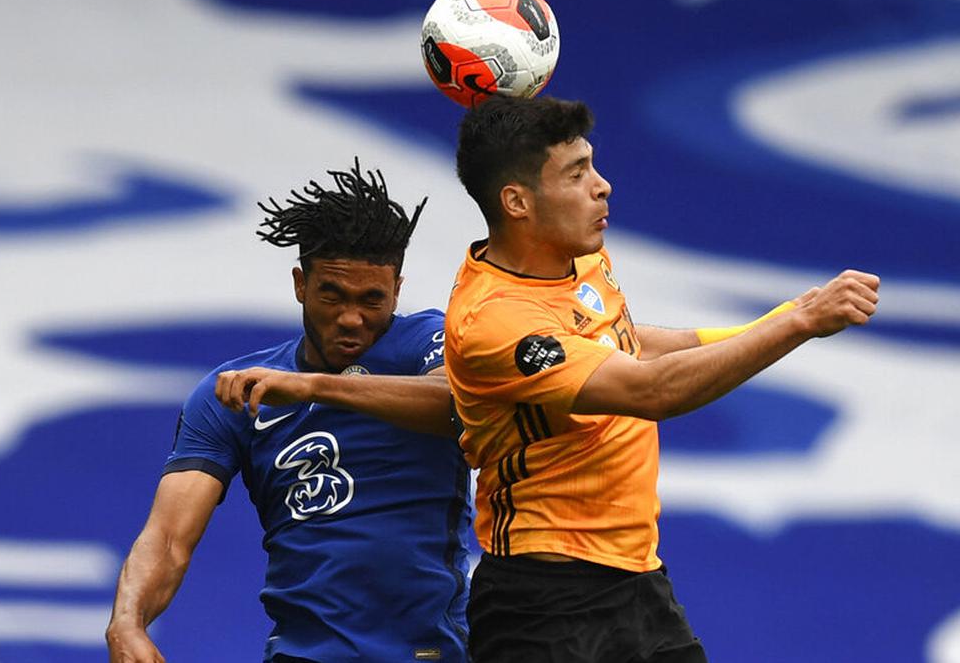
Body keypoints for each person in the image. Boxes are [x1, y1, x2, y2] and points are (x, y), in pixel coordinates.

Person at [444, 95, 879, 663]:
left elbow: (631, 345)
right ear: (517, 201)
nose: (602, 186)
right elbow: (651, 391)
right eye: (577, 174)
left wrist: (783, 316)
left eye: (593, 165)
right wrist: (797, 325)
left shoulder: (579, 259)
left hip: (639, 581)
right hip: (542, 603)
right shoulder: (495, 319)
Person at [106, 159, 472, 663]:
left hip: (428, 650)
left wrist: (311, 388)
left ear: (398, 291)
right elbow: (168, 537)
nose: (351, 318)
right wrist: (128, 621)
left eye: (372, 300)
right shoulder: (233, 394)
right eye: (331, 294)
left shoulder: (426, 341)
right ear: (301, 284)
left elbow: (458, 403)